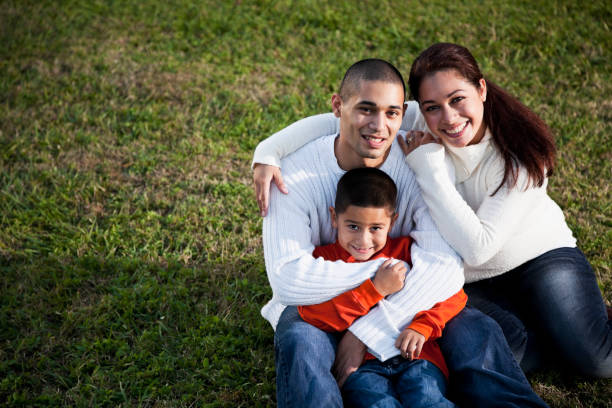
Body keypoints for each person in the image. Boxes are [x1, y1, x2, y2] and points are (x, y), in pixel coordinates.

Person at [252, 43, 612, 378]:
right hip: (469, 277)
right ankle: (552, 331)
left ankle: (572, 329)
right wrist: (267, 152)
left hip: (538, 258)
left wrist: (428, 166)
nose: (449, 118)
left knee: (596, 360)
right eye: (432, 107)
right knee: (508, 352)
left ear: (482, 90)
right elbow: (341, 119)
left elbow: (478, 247)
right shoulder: (419, 120)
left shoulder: (518, 156)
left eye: (458, 100)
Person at [301, 166, 467, 407]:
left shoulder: (409, 252)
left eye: (376, 228)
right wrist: (374, 290)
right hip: (362, 366)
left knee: (429, 401)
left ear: (393, 221)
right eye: (353, 226)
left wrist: (423, 326)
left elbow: (452, 292)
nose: (363, 240)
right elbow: (313, 315)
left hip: (418, 356)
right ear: (334, 218)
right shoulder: (323, 261)